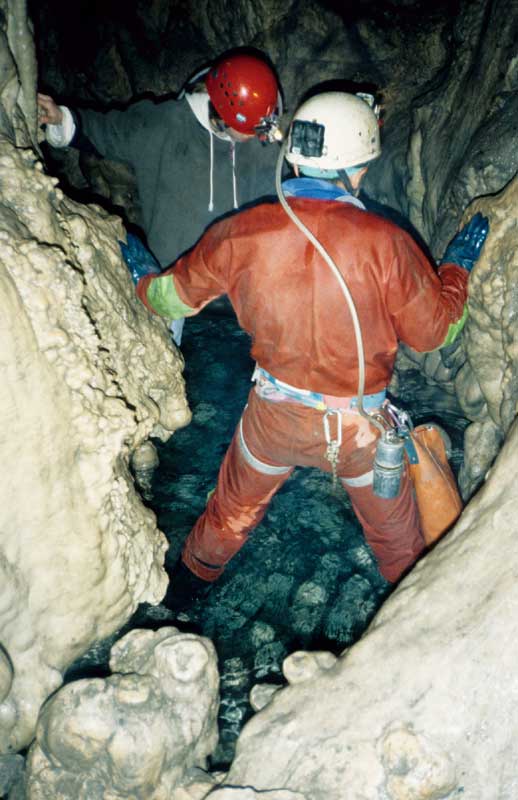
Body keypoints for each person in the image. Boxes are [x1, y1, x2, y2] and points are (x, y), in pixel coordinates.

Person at [131, 90, 488, 609]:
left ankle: (181, 600)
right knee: (397, 547)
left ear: (293, 156)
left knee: (229, 516)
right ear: (359, 168)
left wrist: (143, 274)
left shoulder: (237, 233)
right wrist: (455, 269)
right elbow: (436, 332)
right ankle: (413, 623)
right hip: (359, 433)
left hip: (273, 421)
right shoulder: (386, 243)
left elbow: (170, 300)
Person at [37, 49, 283, 344]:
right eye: (251, 129)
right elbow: (107, 131)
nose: (260, 136)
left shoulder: (262, 142)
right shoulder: (164, 125)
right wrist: (60, 119)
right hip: (174, 290)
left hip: (241, 300)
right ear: (223, 115)